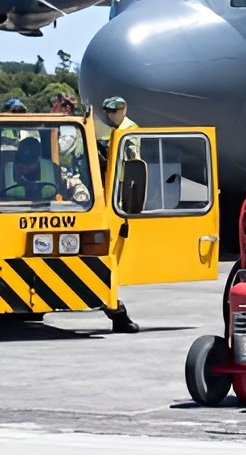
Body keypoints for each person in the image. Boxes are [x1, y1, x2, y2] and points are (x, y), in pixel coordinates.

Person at [91, 95, 140, 334]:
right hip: (110, 193)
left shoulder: (129, 130)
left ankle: (114, 307)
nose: (110, 115)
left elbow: (130, 160)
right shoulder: (115, 130)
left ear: (124, 109)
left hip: (122, 194)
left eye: (114, 110)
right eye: (107, 111)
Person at [0, 136, 66, 201]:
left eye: (30, 163)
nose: (25, 167)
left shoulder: (53, 170)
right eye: (21, 162)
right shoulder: (3, 174)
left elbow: (69, 192)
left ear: (38, 160)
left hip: (45, 217)